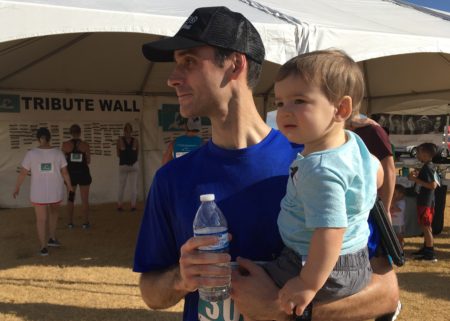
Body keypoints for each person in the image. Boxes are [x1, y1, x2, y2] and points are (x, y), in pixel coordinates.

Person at [134, 6, 399, 321]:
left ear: (235, 64)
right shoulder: (172, 178)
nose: (172, 79)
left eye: (188, 61)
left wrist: (283, 310)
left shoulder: (323, 162)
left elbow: (386, 292)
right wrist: (181, 278)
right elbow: (151, 292)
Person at [262, 50, 381, 317]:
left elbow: (330, 232)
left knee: (252, 287)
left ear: (341, 109)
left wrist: (306, 283)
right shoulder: (353, 143)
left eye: (299, 101)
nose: (284, 112)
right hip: (355, 260)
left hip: (319, 265)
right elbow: (376, 169)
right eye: (280, 103)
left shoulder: (320, 168)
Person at [13, 127, 73, 256]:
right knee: (54, 213)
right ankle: (51, 237)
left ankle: (43, 246)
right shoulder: (58, 153)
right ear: (49, 138)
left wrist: (17, 187)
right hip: (55, 190)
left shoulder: (31, 153)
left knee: (41, 219)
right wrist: (69, 185)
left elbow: (23, 173)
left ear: (38, 138)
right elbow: (65, 172)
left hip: (38, 192)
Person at [408, 143, 438, 261]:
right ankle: (426, 248)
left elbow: (432, 185)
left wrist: (415, 179)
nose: (417, 155)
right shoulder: (428, 166)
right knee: (426, 226)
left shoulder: (428, 167)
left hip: (426, 202)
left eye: (419, 153)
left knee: (425, 227)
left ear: (425, 154)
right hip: (426, 201)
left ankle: (430, 254)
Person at [62, 124, 92, 229]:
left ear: (71, 133)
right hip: (83, 174)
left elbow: (63, 162)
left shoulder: (65, 145)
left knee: (70, 199)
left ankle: (70, 223)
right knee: (85, 200)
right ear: (80, 133)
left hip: (71, 177)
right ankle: (85, 223)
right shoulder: (85, 145)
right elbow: (88, 161)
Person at [116, 123, 139, 212]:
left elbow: (118, 154)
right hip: (132, 164)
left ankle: (120, 205)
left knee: (123, 186)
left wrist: (125, 157)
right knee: (133, 187)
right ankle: (132, 206)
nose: (128, 132)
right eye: (128, 131)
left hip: (124, 165)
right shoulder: (135, 140)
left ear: (124, 131)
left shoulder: (120, 140)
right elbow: (137, 153)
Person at [390, 184, 406, 249]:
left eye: (395, 194)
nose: (393, 195)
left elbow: (398, 209)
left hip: (399, 224)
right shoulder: (395, 202)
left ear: (401, 194)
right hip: (393, 223)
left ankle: (401, 249)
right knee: (393, 237)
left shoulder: (402, 202)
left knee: (399, 237)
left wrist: (392, 201)